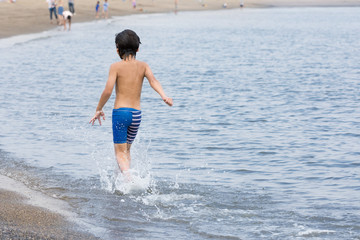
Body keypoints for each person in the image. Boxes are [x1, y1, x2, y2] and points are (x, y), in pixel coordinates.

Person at [89, 29, 173, 176]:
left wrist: (99, 108)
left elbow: (108, 91)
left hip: (121, 114)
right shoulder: (144, 66)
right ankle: (125, 179)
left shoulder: (115, 67)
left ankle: (129, 179)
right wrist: (164, 95)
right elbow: (154, 81)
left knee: (119, 152)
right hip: (136, 115)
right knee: (126, 150)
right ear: (138, 49)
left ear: (117, 49)